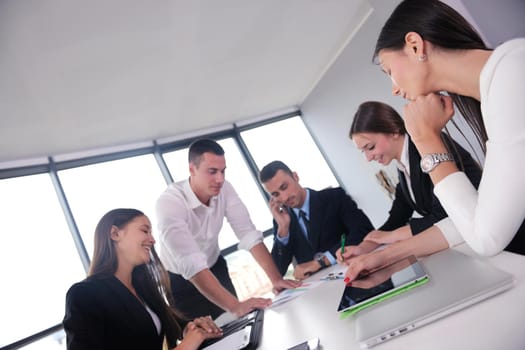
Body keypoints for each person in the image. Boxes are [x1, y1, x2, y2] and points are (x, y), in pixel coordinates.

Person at [341, 0, 525, 282]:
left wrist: (426, 139)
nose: (394, 88)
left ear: (415, 45)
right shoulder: (497, 86)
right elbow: (477, 214)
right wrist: (383, 255)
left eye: (389, 70)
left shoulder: (512, 75)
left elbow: (486, 238)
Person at [156, 139, 300, 320]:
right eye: (212, 172)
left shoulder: (225, 189)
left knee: (235, 325)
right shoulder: (169, 203)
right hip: (179, 281)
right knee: (206, 339)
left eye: (223, 171)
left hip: (215, 266)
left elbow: (247, 233)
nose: (220, 179)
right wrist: (236, 306)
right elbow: (191, 263)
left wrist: (276, 279)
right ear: (192, 169)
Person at [63, 208, 223, 350]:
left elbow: (167, 324)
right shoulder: (84, 294)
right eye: (145, 231)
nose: (152, 240)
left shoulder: (141, 287)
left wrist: (191, 327)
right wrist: (186, 346)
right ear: (115, 234)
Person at [344, 101, 481, 256]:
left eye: (370, 147)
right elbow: (397, 217)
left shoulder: (429, 147)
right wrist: (362, 248)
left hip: (487, 233)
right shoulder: (403, 167)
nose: (368, 158)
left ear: (394, 130)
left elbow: (445, 214)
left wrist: (390, 237)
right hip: (464, 242)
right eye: (363, 151)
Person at [259, 160, 374, 279]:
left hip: (359, 278)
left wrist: (321, 262)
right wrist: (283, 230)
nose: (284, 197)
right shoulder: (282, 221)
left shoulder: (334, 197)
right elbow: (277, 271)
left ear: (295, 176)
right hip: (322, 292)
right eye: (276, 194)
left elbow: (363, 231)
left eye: (284, 187)